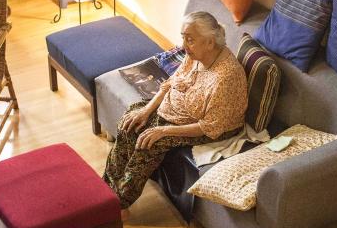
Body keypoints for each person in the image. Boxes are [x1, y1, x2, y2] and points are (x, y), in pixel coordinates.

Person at [103, 11, 247, 210]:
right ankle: (105, 188)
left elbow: (210, 126)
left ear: (210, 42)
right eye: (183, 38)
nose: (183, 46)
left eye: (190, 40)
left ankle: (117, 203)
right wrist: (146, 110)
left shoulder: (225, 77)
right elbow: (170, 83)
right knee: (130, 121)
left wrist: (163, 130)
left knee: (148, 143)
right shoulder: (195, 55)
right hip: (173, 113)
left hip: (205, 127)